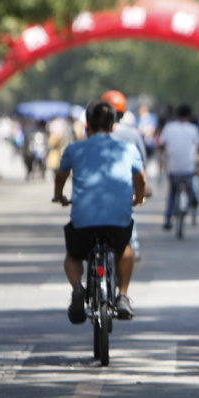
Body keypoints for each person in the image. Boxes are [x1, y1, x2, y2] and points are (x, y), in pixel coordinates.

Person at [53, 100, 146, 322]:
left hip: (83, 222)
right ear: (114, 126)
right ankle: (122, 296)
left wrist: (59, 197)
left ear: (87, 125)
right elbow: (140, 180)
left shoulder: (74, 149)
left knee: (73, 255)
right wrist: (138, 198)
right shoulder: (127, 149)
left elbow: (60, 177)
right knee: (125, 249)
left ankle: (78, 288)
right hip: (117, 222)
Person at [102, 90, 150, 261]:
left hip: (97, 190)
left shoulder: (94, 135)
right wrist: (142, 191)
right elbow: (141, 164)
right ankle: (133, 246)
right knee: (128, 217)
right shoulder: (132, 134)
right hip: (125, 188)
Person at [158, 104, 199, 230]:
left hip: (173, 167)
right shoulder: (193, 129)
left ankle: (168, 219)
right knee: (191, 184)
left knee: (172, 193)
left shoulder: (169, 128)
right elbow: (198, 146)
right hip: (188, 167)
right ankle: (193, 198)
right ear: (189, 116)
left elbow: (161, 144)